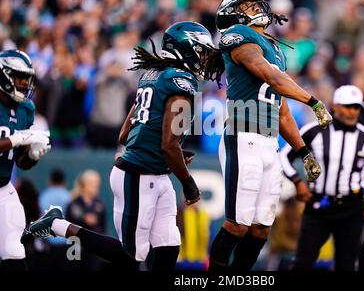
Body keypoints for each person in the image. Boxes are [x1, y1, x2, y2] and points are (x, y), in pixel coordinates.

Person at [21, 21, 221, 271]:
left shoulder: (153, 75)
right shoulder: (181, 84)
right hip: (138, 175)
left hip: (154, 174)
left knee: (169, 248)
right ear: (186, 50)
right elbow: (168, 145)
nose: (204, 58)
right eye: (201, 51)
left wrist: (169, 152)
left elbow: (126, 133)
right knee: (132, 255)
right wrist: (189, 185)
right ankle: (58, 225)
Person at [206, 0, 333, 272]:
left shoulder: (273, 46)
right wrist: (312, 100)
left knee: (261, 227)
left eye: (255, 4)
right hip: (243, 134)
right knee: (237, 225)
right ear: (234, 13)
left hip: (268, 141)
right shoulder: (237, 35)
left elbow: (282, 111)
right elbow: (271, 76)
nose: (255, 8)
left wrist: (303, 152)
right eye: (247, 6)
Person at [280, 85, 364, 270]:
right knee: (303, 262)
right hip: (320, 204)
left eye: (356, 107)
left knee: (347, 264)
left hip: (352, 207)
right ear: (334, 106)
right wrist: (298, 182)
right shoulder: (314, 131)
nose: (353, 111)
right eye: (348, 106)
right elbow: (284, 156)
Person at [0, 49, 51, 271]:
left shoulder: (26, 109)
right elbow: (15, 141)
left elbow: (21, 162)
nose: (23, 83)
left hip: (3, 188)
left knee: (14, 250)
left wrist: (31, 156)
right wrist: (17, 138)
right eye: (18, 77)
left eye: (26, 78)